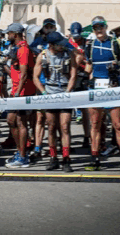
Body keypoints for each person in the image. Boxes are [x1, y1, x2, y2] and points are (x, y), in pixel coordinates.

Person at [84, 16, 120, 172]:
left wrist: (117, 69)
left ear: (105, 27)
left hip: (112, 88)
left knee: (118, 125)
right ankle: (95, 159)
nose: (98, 30)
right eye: (95, 27)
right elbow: (88, 67)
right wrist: (83, 78)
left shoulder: (115, 42)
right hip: (96, 89)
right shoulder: (90, 45)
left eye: (101, 27)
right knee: (95, 125)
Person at [33, 32, 77, 172]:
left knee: (65, 127)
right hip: (50, 93)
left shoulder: (69, 54)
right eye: (59, 44)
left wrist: (68, 92)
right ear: (52, 45)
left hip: (64, 92)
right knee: (51, 127)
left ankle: (66, 158)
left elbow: (73, 74)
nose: (62, 46)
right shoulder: (43, 56)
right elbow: (35, 76)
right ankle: (53, 157)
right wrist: (44, 92)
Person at [6, 23, 35, 169]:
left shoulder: (23, 50)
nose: (7, 36)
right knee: (11, 120)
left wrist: (18, 93)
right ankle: (20, 152)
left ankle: (23, 157)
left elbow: (23, 73)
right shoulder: (17, 48)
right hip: (16, 91)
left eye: (9, 33)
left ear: (15, 34)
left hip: (22, 92)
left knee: (21, 122)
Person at [68, 22, 91, 148]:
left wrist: (86, 74)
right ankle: (66, 139)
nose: (76, 38)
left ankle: (87, 137)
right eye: (74, 35)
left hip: (82, 77)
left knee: (84, 109)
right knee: (67, 111)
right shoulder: (67, 43)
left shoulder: (86, 43)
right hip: (70, 77)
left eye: (78, 35)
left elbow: (89, 61)